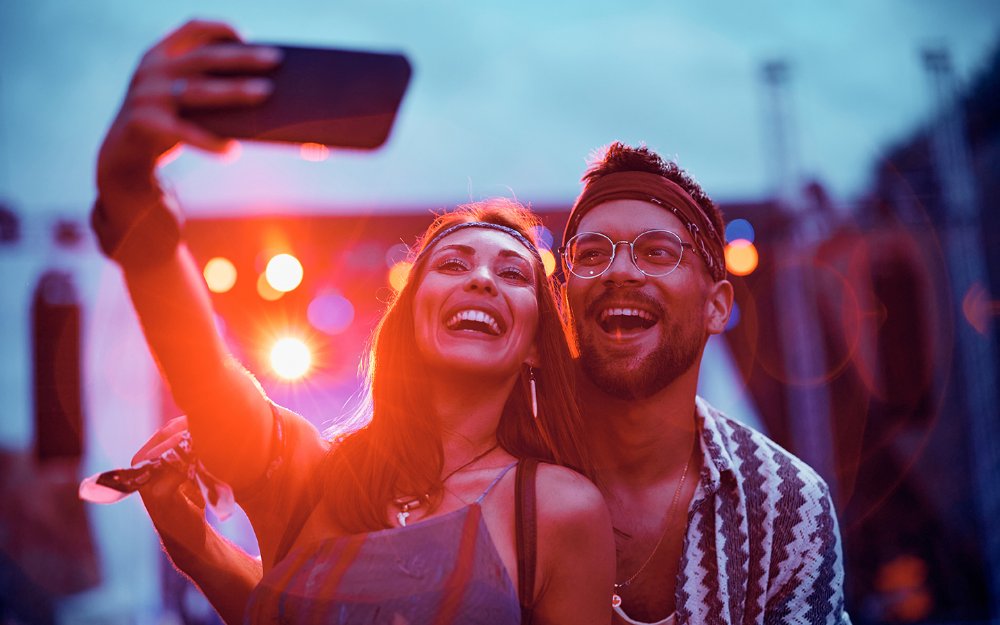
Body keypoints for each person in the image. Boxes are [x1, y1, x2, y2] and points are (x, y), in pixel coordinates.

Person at [92, 19, 614, 625]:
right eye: (453, 263)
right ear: (410, 317)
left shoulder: (557, 509)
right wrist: (130, 195)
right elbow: (204, 376)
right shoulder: (314, 473)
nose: (482, 280)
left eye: (514, 274)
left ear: (535, 348)